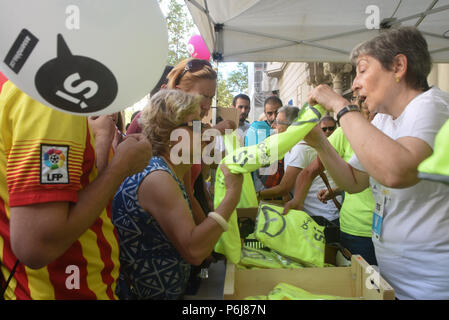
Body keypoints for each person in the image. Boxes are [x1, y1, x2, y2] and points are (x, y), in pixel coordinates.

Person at [305, 27, 449, 299]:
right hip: (396, 279)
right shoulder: (383, 119)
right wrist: (320, 144)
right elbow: (353, 181)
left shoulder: (433, 106)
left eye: (362, 70)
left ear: (398, 66)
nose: (355, 83)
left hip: (434, 285)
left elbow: (397, 172)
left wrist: (340, 106)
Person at [0, 75, 152, 300]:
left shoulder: (16, 79)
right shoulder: (51, 95)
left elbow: (75, 191)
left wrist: (100, 140)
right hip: (69, 289)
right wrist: (122, 166)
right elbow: (37, 242)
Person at [112, 90, 242, 300]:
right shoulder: (158, 177)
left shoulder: (168, 170)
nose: (205, 132)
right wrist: (232, 195)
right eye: (195, 125)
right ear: (169, 134)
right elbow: (194, 252)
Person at [284, 97, 378, 265]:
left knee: (385, 288)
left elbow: (370, 179)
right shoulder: (344, 133)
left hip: (394, 233)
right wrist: (297, 201)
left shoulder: (391, 128)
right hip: (357, 229)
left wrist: (336, 189)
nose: (367, 111)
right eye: (360, 104)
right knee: (368, 286)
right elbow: (311, 171)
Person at [259, 105, 341, 224]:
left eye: (278, 122)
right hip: (312, 213)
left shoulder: (300, 149)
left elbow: (284, 188)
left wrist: (258, 194)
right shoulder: (290, 146)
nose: (273, 126)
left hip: (325, 215)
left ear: (291, 127)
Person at [245, 96, 283, 192]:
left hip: (285, 181)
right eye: (270, 113)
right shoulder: (256, 128)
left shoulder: (289, 128)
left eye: (277, 112)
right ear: (265, 113)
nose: (274, 117)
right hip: (261, 183)